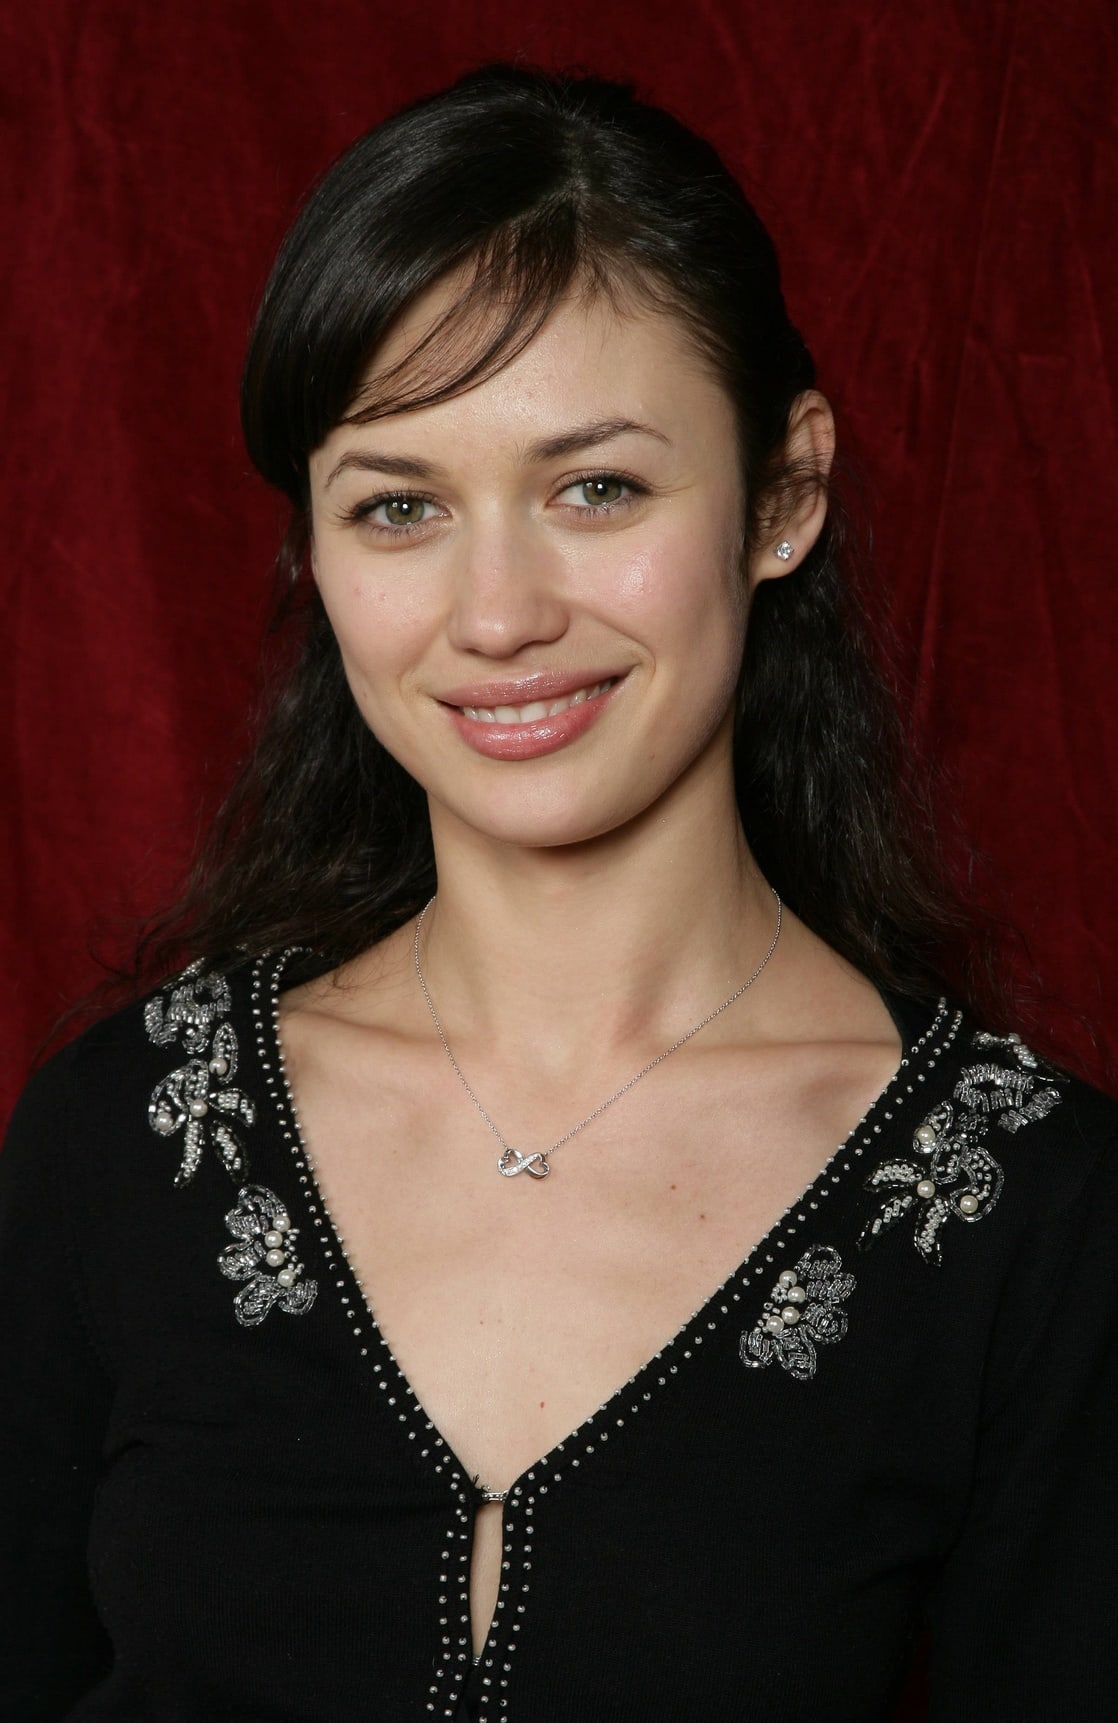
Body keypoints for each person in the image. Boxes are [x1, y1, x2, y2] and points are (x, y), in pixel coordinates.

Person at [2, 61, 1115, 1723]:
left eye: (595, 487)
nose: (498, 612)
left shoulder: (1031, 1211)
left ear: (783, 494)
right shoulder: (122, 1138)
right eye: (399, 507)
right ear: (314, 551)